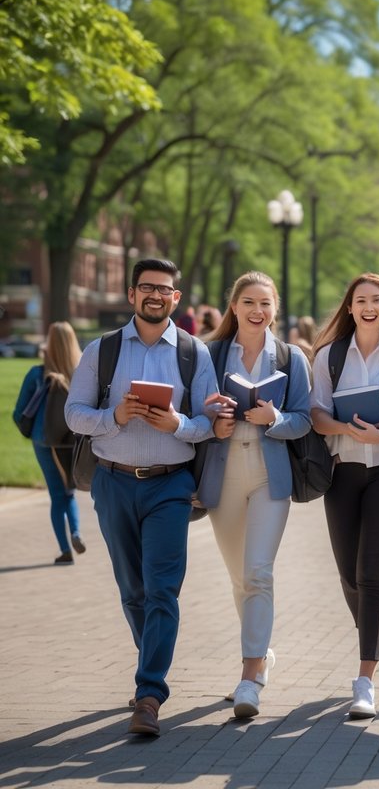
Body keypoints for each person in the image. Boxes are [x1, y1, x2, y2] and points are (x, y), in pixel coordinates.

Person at [65, 258, 222, 736]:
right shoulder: (102, 351)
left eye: (166, 289)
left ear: (176, 298)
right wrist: (115, 416)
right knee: (133, 591)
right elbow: (74, 414)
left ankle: (150, 693)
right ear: (132, 294)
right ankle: (149, 664)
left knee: (161, 589)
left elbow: (210, 423)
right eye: (148, 287)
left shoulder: (195, 353)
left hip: (170, 485)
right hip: (113, 483)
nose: (157, 295)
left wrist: (178, 424)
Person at [194, 272, 314, 719]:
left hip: (269, 475)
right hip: (223, 473)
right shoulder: (209, 354)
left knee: (259, 572)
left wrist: (274, 417)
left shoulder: (291, 357)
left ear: (275, 308)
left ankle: (249, 676)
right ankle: (262, 653)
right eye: (248, 302)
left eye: (265, 303)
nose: (257, 311)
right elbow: (194, 408)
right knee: (239, 578)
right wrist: (214, 419)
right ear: (234, 306)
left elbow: (304, 419)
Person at [310, 273, 379, 719]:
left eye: (378, 299)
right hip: (341, 472)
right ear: (350, 308)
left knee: (370, 574)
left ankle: (365, 679)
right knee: (348, 574)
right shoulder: (328, 357)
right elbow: (317, 414)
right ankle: (369, 630)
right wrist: (345, 428)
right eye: (360, 300)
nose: (369, 306)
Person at [13, 322, 85, 564]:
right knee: (69, 492)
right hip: (73, 441)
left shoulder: (37, 374)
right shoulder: (81, 373)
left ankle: (65, 551)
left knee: (57, 496)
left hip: (45, 441)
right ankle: (76, 532)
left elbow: (19, 412)